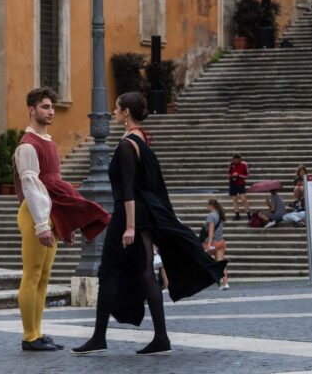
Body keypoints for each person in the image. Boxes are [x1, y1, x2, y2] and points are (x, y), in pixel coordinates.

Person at [72, 92, 227, 355]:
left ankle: (99, 337)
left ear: (127, 112)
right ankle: (160, 337)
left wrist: (130, 226)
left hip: (127, 215)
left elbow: (130, 190)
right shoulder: (142, 139)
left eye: (117, 107)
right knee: (144, 272)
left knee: (108, 271)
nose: (113, 111)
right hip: (140, 216)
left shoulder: (126, 145)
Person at [13, 88, 111, 351]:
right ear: (32, 110)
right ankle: (29, 336)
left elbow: (54, 188)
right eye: (45, 106)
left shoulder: (48, 142)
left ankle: (37, 331)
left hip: (49, 214)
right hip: (36, 215)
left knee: (44, 276)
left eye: (52, 107)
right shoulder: (27, 146)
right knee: (32, 274)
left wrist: (62, 221)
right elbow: (32, 188)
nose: (51, 111)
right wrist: (42, 224)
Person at [202, 199, 229, 290]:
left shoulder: (211, 216)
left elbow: (211, 231)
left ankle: (203, 280)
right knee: (221, 262)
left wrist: (209, 244)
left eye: (208, 205)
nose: (207, 207)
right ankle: (225, 283)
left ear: (211, 205)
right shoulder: (220, 214)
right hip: (220, 242)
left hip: (212, 243)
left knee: (200, 259)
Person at [228, 154, 251, 220]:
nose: (236, 161)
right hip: (232, 183)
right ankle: (237, 215)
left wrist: (238, 175)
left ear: (240, 159)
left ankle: (249, 214)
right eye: (234, 160)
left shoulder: (244, 164)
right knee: (234, 200)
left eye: (237, 160)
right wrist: (229, 176)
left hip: (240, 183)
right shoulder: (231, 164)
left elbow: (247, 175)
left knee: (244, 199)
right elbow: (229, 172)